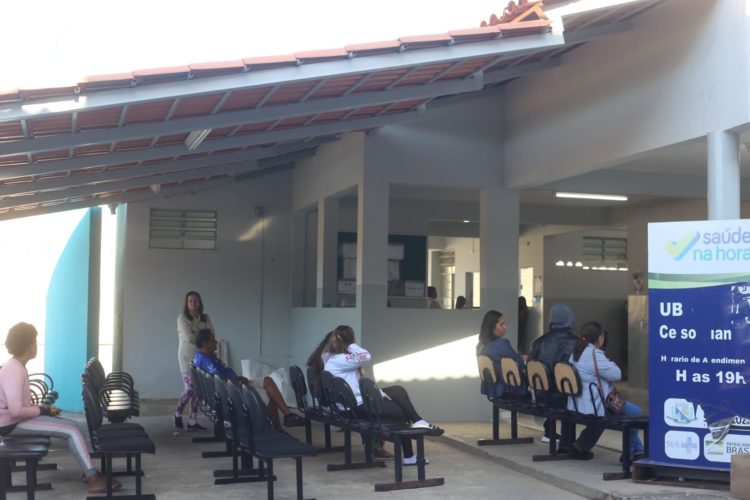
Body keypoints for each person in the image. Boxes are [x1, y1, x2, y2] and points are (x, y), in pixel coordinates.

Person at [0, 323, 119, 494]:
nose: (36, 346)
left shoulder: (16, 366)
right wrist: (42, 411)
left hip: (14, 421)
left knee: (72, 427)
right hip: (11, 425)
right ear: (27, 345)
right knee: (71, 430)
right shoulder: (14, 370)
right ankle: (93, 479)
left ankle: (90, 472)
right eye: (34, 342)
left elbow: (21, 405)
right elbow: (15, 411)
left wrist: (43, 407)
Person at [322, 325, 434, 465]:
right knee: (400, 412)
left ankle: (417, 421)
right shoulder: (339, 359)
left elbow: (355, 383)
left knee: (397, 390)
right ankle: (410, 454)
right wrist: (350, 344)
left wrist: (379, 393)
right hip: (356, 407)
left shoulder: (330, 357)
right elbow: (365, 356)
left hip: (353, 403)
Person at [193, 330, 304, 431]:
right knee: (269, 396)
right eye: (213, 339)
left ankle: (288, 415)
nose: (216, 342)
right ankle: (279, 428)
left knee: (267, 380)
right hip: (234, 390)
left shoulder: (202, 356)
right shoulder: (206, 360)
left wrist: (238, 379)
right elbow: (219, 379)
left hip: (236, 384)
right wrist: (238, 380)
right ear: (205, 343)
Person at [567, 322, 645, 461]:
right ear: (599, 338)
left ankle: (581, 446)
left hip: (579, 403)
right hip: (595, 405)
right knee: (635, 413)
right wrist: (609, 361)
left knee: (607, 416)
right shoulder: (595, 355)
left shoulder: (575, 353)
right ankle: (629, 454)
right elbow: (617, 374)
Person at [529, 303, 578, 444]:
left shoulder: (538, 342)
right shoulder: (576, 343)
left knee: (553, 384)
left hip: (542, 396)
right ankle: (567, 440)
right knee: (569, 387)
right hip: (566, 398)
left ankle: (549, 431)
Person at [174, 290, 212, 431]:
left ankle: (192, 420)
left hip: (202, 358)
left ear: (200, 303)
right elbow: (189, 338)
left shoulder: (205, 318)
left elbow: (212, 334)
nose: (193, 303)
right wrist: (203, 335)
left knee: (198, 390)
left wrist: (200, 334)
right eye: (190, 301)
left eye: (195, 300)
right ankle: (177, 413)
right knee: (190, 389)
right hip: (186, 358)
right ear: (186, 303)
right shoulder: (182, 318)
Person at [476, 310, 528, 399]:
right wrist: (522, 359)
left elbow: (500, 361)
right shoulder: (501, 344)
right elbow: (519, 365)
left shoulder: (480, 346)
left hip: (493, 390)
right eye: (501, 324)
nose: (505, 326)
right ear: (492, 327)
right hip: (510, 391)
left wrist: (518, 357)